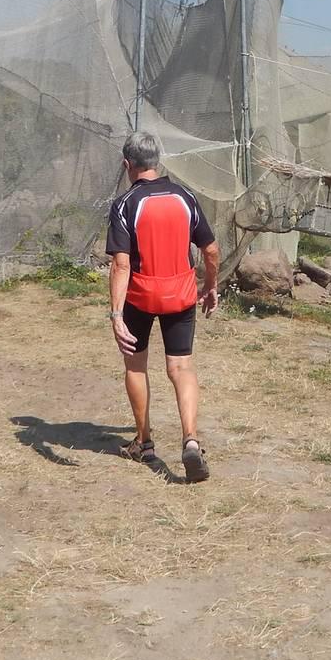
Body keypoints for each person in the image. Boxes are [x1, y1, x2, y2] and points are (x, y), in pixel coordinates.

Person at [106, 131, 220, 483]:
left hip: (141, 297)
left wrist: (116, 314)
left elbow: (121, 265)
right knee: (181, 368)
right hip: (181, 295)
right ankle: (190, 440)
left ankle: (144, 442)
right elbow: (211, 251)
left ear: (128, 165)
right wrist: (210, 286)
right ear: (158, 161)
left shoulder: (125, 204)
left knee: (136, 366)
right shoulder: (185, 196)